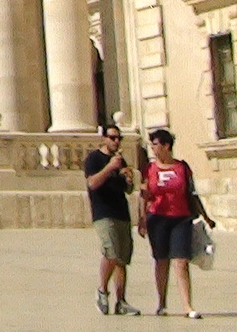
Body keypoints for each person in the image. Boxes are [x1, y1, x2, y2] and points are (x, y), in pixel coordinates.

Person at [139, 128, 214, 319]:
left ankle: (188, 306)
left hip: (181, 217)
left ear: (166, 146)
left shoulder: (182, 167)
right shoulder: (150, 169)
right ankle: (161, 303)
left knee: (181, 261)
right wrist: (142, 218)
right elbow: (144, 195)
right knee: (161, 260)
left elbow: (192, 193)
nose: (153, 148)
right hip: (157, 218)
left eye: (155, 144)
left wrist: (205, 217)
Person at [86, 124, 140, 316]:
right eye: (112, 138)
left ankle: (121, 301)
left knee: (122, 259)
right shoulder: (94, 158)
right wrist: (110, 167)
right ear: (104, 138)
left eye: (119, 138)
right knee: (111, 252)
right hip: (103, 212)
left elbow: (128, 190)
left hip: (121, 212)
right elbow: (92, 183)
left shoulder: (120, 160)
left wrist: (128, 179)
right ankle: (102, 290)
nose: (116, 141)